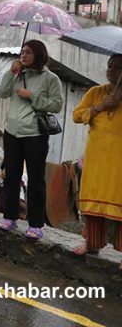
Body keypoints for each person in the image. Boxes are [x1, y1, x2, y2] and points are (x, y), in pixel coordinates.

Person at [0, 40, 63, 239]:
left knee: (35, 180)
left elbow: (56, 105)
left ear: (39, 55)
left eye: (28, 52)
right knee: (11, 178)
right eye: (22, 52)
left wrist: (32, 96)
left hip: (35, 135)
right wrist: (11, 72)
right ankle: (9, 217)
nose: (23, 56)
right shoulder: (18, 74)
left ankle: (35, 224)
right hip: (12, 133)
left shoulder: (51, 79)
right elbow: (3, 93)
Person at [71, 54, 122, 265]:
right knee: (93, 199)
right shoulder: (96, 92)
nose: (111, 71)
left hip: (119, 160)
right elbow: (77, 115)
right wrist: (101, 106)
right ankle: (92, 243)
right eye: (110, 66)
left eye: (118, 68)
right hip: (97, 157)